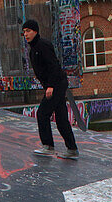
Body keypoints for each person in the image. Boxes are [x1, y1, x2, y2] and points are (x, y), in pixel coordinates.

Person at [22, 19, 78, 160]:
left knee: (42, 113)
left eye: (28, 31)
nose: (26, 34)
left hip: (57, 84)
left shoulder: (43, 45)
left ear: (35, 31)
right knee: (61, 118)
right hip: (55, 84)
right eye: (24, 32)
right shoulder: (33, 49)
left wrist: (51, 86)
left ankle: (48, 146)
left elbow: (53, 66)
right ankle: (72, 149)